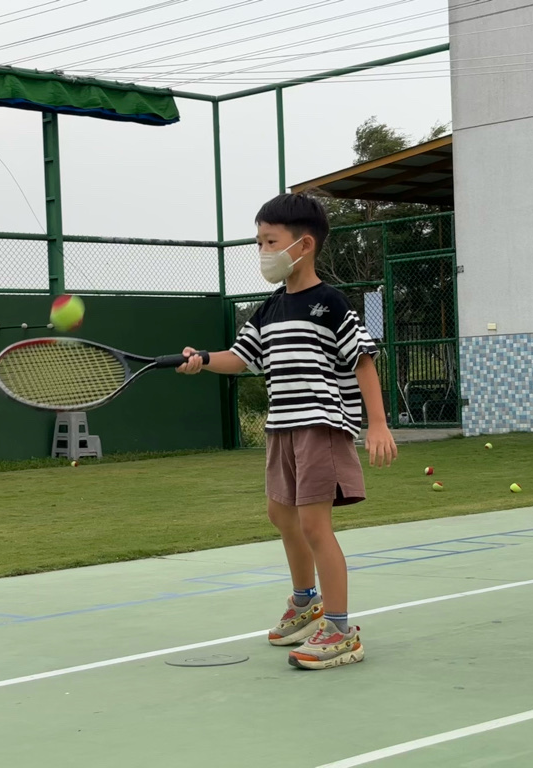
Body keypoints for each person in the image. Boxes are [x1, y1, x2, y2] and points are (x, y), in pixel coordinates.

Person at [177, 193, 398, 670]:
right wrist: (203, 359)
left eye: (270, 241)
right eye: (258, 242)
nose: (262, 251)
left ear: (304, 244)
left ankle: (339, 631)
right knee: (281, 516)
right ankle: (305, 603)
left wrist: (378, 424)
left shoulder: (330, 303)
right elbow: (241, 357)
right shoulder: (270, 309)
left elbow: (363, 360)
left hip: (321, 427)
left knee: (316, 525)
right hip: (281, 429)